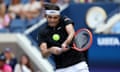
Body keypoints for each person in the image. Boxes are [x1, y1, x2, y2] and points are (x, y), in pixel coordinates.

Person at [38, 4, 89, 72]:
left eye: (55, 17)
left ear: (59, 16)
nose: (52, 20)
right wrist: (50, 50)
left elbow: (71, 33)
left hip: (78, 64)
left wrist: (66, 43)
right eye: (50, 17)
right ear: (45, 16)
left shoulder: (65, 20)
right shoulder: (42, 32)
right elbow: (43, 54)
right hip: (61, 69)